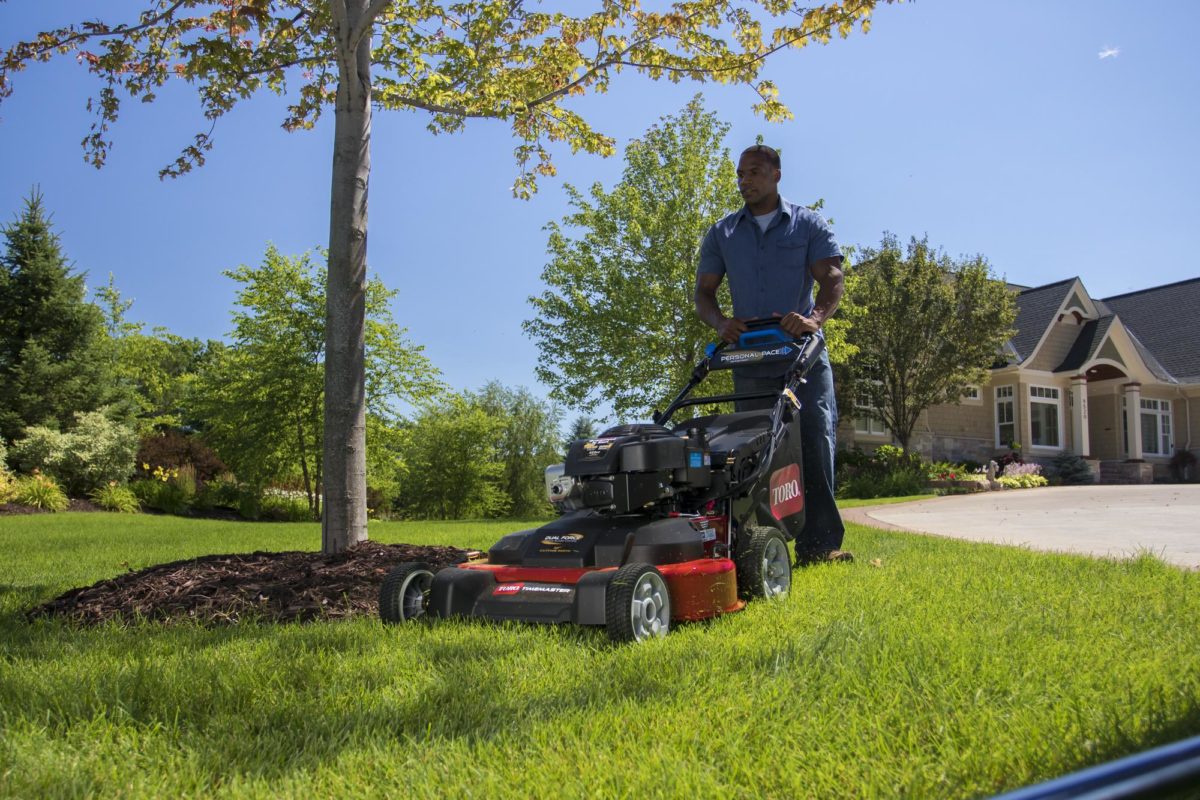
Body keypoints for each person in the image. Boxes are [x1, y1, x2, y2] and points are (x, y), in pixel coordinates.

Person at [694, 144, 850, 565]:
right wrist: (721, 323)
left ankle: (821, 546)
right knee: (753, 449)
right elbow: (704, 294)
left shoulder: (806, 224)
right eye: (741, 174)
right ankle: (760, 543)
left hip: (801, 356)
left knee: (815, 442)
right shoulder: (723, 233)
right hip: (750, 358)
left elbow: (832, 277)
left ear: (776, 175)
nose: (746, 180)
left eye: (755, 173)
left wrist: (814, 317)